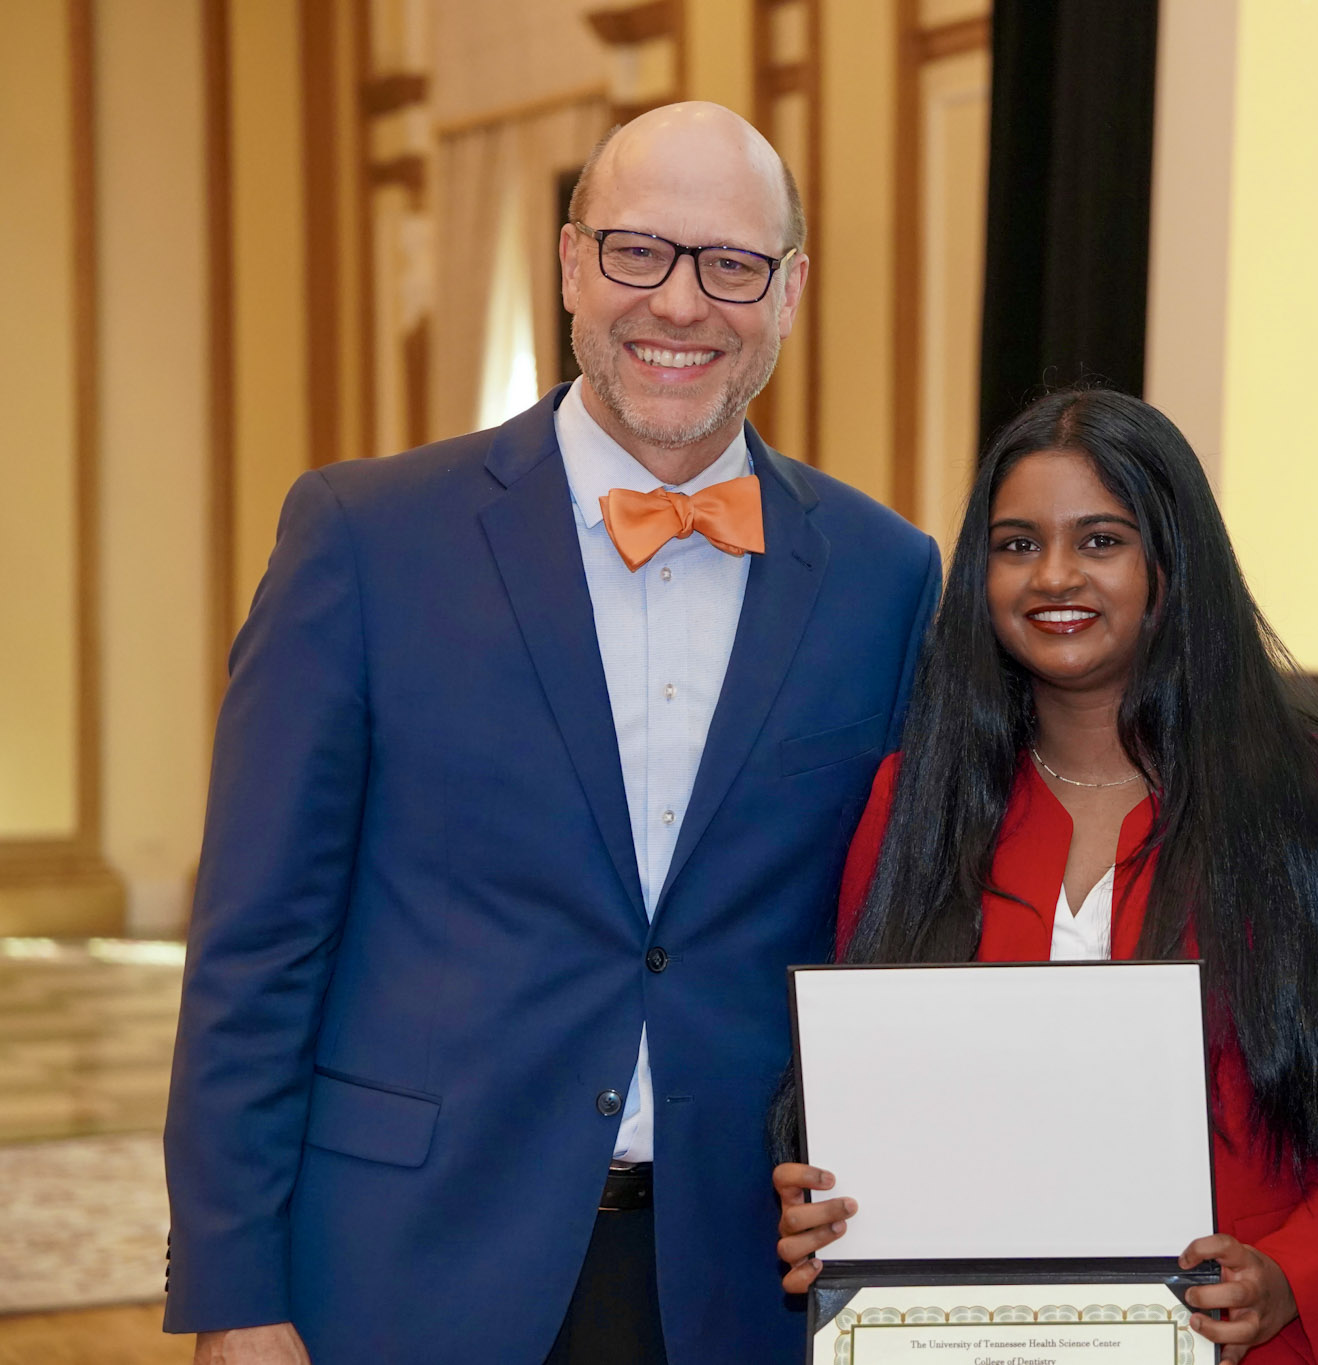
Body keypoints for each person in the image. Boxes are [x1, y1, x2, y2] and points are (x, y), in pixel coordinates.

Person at [162, 103, 940, 1365]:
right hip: (407, 1262)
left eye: (730, 265)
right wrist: (234, 1291)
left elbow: (891, 937)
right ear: (574, 263)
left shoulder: (883, 573)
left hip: (742, 1282)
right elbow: (257, 947)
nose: (679, 303)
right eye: (638, 251)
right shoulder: (366, 538)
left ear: (790, 292)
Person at [770, 389, 1318, 1364]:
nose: (1054, 576)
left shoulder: (1312, 804)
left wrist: (1291, 1275)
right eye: (1017, 544)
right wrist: (828, 1201)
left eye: (1101, 540)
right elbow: (872, 1095)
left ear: (1171, 564)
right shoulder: (917, 802)